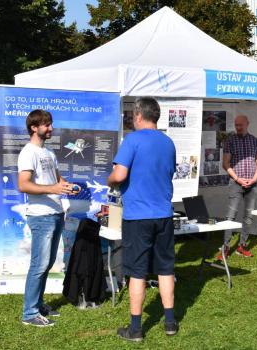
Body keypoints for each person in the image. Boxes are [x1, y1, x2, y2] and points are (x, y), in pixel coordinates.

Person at [107, 97, 177, 341]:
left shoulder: (132, 140)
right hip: (164, 215)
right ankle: (170, 322)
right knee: (166, 268)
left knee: (137, 272)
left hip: (138, 216)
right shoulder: (168, 143)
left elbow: (120, 174)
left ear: (138, 115)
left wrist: (110, 180)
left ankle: (135, 328)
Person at [18, 109, 77, 327]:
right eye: (46, 125)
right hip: (41, 216)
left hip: (56, 212)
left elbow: (57, 179)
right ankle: (29, 313)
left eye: (51, 124)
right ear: (34, 127)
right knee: (39, 264)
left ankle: (39, 304)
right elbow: (23, 184)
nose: (51, 128)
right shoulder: (28, 152)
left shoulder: (49, 153)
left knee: (48, 262)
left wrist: (66, 186)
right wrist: (53, 187)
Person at [218, 115, 257, 259]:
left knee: (248, 216)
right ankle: (225, 247)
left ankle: (242, 245)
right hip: (236, 183)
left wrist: (254, 179)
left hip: (252, 184)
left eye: (240, 125)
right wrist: (238, 179)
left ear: (247, 124)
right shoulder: (230, 140)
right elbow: (226, 164)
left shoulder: (255, 141)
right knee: (230, 216)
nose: (238, 127)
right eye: (236, 125)